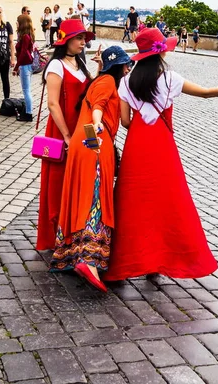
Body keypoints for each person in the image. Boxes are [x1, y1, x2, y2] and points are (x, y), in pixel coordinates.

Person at [104, 27, 218, 283]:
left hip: (137, 145)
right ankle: (156, 264)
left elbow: (125, 121)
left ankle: (124, 259)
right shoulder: (170, 79)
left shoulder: (126, 82)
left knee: (131, 201)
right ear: (160, 54)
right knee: (166, 201)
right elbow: (205, 93)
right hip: (162, 145)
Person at [50, 45, 132, 292]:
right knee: (94, 197)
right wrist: (97, 127)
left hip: (83, 140)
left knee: (81, 194)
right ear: (119, 67)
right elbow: (98, 106)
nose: (129, 68)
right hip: (95, 142)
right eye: (127, 65)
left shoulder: (100, 79)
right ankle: (89, 261)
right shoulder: (107, 82)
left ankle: (73, 254)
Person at [36, 19, 94, 251]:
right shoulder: (56, 66)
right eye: (79, 38)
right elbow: (53, 104)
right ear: (66, 40)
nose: (83, 42)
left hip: (82, 129)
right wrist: (67, 136)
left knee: (81, 179)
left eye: (84, 39)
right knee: (59, 181)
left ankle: (76, 228)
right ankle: (58, 233)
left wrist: (99, 71)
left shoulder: (80, 64)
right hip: (63, 131)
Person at [13, 15, 35, 122]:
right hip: (26, 64)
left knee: (26, 90)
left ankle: (28, 113)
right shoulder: (25, 35)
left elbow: (23, 53)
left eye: (17, 21)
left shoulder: (25, 37)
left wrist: (17, 67)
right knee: (27, 90)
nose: (16, 23)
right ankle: (27, 111)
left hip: (25, 65)